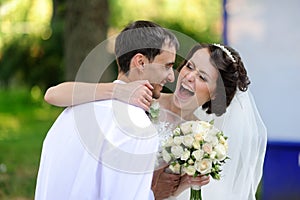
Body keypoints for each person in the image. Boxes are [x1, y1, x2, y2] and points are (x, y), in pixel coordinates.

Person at [43, 43, 267, 199]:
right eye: (189, 66)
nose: (189, 76)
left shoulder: (203, 141)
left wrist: (182, 187)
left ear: (216, 94)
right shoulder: (142, 97)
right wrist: (117, 91)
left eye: (202, 77)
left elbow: (161, 192)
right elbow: (54, 94)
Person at [35, 20, 210, 200]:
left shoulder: (73, 111)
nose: (172, 76)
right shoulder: (139, 128)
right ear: (141, 62)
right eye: (167, 66)